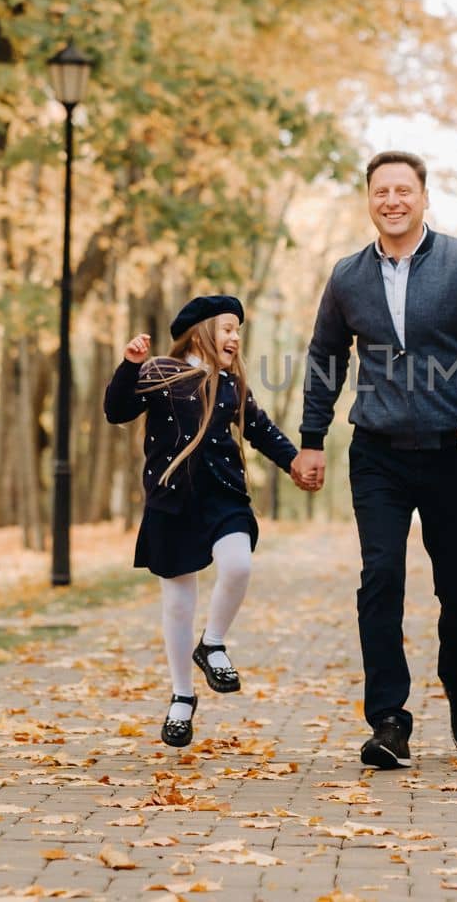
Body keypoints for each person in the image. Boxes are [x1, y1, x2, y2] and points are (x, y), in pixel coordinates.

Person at [291, 150, 457, 769]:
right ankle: (389, 719)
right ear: (369, 200)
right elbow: (325, 358)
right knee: (381, 578)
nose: (392, 201)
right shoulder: (347, 276)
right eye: (381, 192)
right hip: (378, 454)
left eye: (403, 191)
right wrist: (312, 439)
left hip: (455, 452)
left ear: (424, 197)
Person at [104, 295, 302, 748]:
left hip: (223, 496)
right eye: (227, 327)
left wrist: (294, 463)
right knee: (177, 603)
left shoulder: (231, 383)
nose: (235, 337)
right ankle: (182, 696)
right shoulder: (159, 372)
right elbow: (116, 411)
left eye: (238, 330)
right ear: (201, 332)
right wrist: (128, 365)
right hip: (171, 501)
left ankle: (211, 644)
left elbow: (260, 428)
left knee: (238, 566)